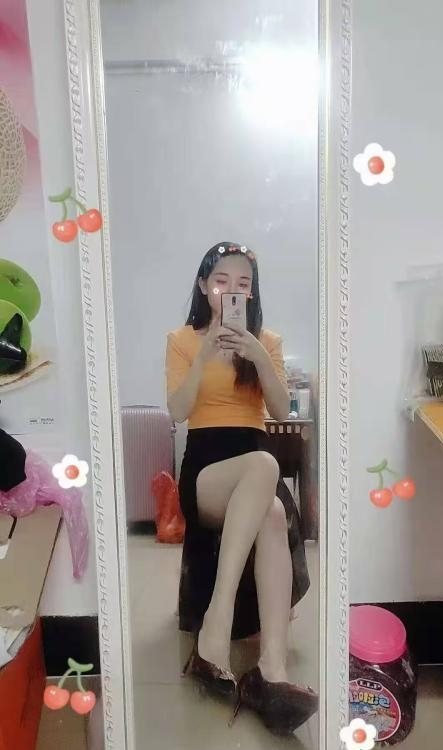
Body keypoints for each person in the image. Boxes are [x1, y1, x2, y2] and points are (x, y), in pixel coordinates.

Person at [165, 241, 318, 734]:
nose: (232, 290)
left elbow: (279, 410)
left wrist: (258, 355)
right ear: (203, 286)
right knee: (263, 467)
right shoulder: (182, 340)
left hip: (255, 463)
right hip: (207, 470)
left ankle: (271, 670)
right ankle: (220, 617)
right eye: (222, 281)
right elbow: (177, 411)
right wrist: (204, 355)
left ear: (251, 294)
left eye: (243, 284)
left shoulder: (266, 341)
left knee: (270, 509)